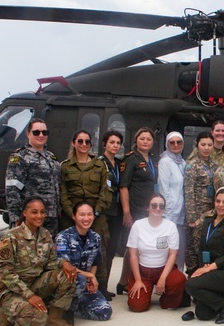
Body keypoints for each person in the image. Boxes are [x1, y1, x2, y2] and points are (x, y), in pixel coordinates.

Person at [0, 196, 77, 326]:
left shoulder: (45, 235)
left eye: (42, 212)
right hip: (10, 289)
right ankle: (6, 315)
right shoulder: (11, 237)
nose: (39, 216)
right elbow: (5, 274)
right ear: (25, 213)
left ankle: (54, 320)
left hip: (34, 283)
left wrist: (64, 263)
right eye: (34, 212)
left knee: (67, 276)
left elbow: (50, 262)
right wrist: (29, 296)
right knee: (36, 317)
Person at [58, 129, 112, 292]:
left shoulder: (100, 165)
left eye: (87, 142)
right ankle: (69, 288)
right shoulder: (65, 166)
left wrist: (94, 213)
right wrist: (73, 215)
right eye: (80, 141)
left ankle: (100, 288)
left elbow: (106, 190)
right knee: (69, 252)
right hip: (72, 216)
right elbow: (63, 193)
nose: (83, 145)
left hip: (95, 214)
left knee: (100, 250)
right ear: (73, 143)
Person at [185, 187, 224, 324]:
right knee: (202, 314)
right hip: (210, 267)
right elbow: (202, 247)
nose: (221, 205)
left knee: (190, 285)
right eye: (218, 201)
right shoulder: (208, 221)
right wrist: (202, 266)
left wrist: (208, 269)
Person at [125, 194, 183, 313]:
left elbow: (173, 254)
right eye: (154, 205)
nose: (157, 208)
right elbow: (133, 255)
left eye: (161, 206)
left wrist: (162, 278)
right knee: (137, 306)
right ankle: (144, 290)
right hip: (143, 272)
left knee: (178, 280)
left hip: (163, 269)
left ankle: (167, 298)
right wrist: (138, 280)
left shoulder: (171, 226)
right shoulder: (138, 225)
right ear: (148, 207)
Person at [55, 201, 112, 322]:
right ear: (74, 216)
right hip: (66, 283)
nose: (86, 218)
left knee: (104, 312)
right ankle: (63, 310)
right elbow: (64, 266)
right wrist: (89, 276)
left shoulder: (95, 237)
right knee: (79, 279)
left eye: (89, 214)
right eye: (82, 215)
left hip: (84, 284)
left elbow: (95, 262)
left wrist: (90, 280)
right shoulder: (63, 237)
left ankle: (75, 306)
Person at [117, 127, 157, 294]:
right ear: (136, 140)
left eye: (148, 139)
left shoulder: (152, 159)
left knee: (140, 246)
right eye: (142, 139)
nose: (145, 141)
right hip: (134, 209)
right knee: (132, 247)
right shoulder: (131, 159)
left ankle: (126, 281)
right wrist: (127, 212)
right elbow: (124, 187)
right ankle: (124, 281)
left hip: (147, 209)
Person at [5, 118, 60, 233]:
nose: (41, 135)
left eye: (44, 132)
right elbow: (12, 189)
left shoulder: (51, 158)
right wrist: (16, 218)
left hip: (51, 218)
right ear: (28, 134)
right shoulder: (19, 157)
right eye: (36, 132)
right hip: (31, 218)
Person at [184, 131, 216, 270]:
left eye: (209, 145)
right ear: (197, 145)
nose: (206, 148)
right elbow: (188, 191)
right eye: (203, 144)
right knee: (193, 248)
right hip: (197, 213)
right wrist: (192, 217)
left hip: (211, 213)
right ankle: (191, 276)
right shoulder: (192, 165)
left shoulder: (215, 165)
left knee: (207, 245)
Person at [99, 130, 124, 298]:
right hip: (104, 212)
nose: (115, 146)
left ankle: (105, 287)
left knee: (112, 248)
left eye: (117, 143)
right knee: (102, 249)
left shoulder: (121, 164)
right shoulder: (99, 163)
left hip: (117, 212)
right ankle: (99, 287)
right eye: (112, 142)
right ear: (105, 144)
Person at [158, 132, 187, 273]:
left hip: (181, 215)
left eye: (179, 142)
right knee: (167, 251)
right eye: (172, 142)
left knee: (179, 250)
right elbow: (164, 190)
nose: (175, 145)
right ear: (167, 144)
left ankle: (176, 283)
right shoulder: (165, 162)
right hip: (170, 215)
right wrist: (168, 215)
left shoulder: (182, 162)